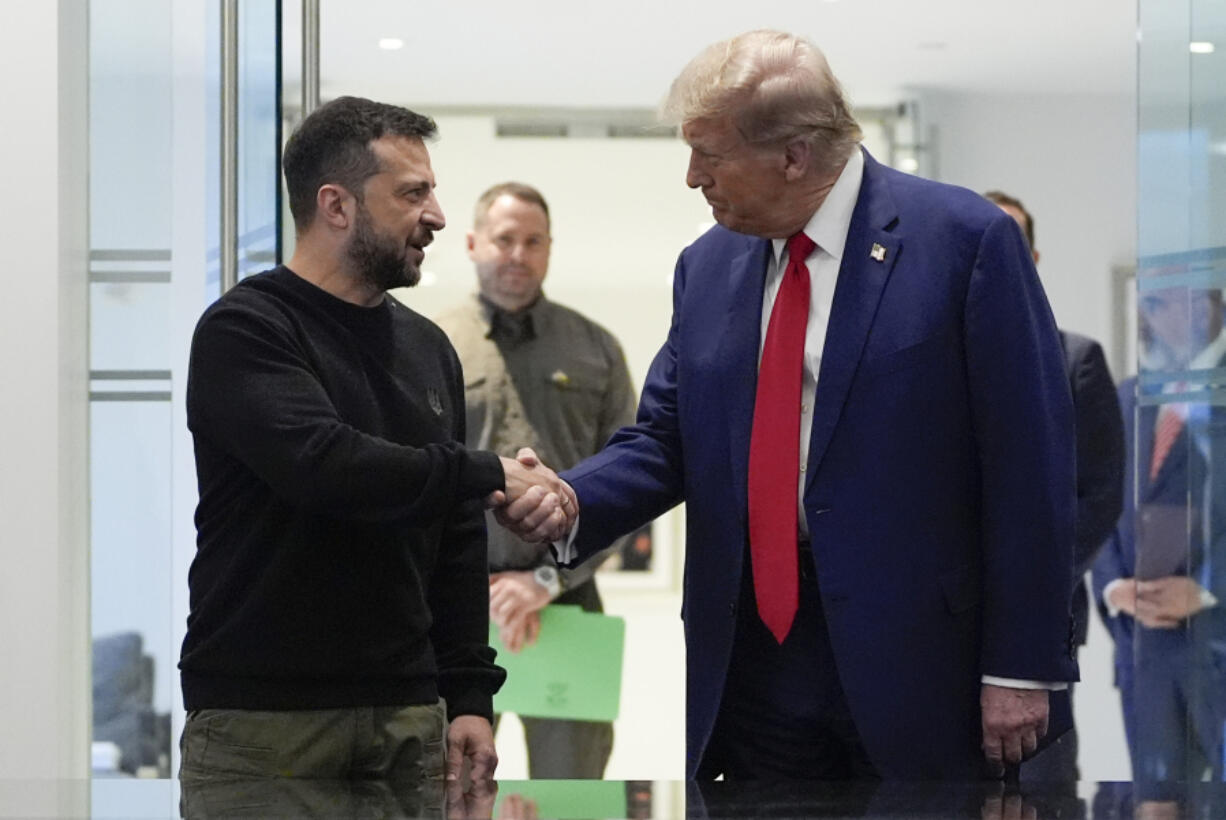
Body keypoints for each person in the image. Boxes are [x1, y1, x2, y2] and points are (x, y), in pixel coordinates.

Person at [501, 30, 1078, 780]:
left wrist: (1021, 666)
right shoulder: (706, 266)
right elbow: (668, 437)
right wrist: (573, 499)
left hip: (921, 664)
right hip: (749, 661)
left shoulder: (964, 243)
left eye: (710, 153)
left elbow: (1029, 464)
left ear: (795, 155)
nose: (691, 177)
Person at [178, 96, 574, 784]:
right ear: (337, 206)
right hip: (266, 727)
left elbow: (454, 540)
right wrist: (490, 472)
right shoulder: (246, 330)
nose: (438, 217)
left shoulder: (429, 349)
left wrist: (470, 696)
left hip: (409, 721)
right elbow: (326, 466)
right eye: (412, 194)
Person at [435, 182, 637, 778]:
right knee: (453, 784)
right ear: (473, 244)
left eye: (532, 241)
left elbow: (628, 483)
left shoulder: (596, 349)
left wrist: (548, 580)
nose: (517, 254)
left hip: (569, 608)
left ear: (549, 250)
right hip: (457, 618)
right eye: (503, 239)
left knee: (573, 792)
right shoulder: (431, 345)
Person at [984, 190, 1125, 783]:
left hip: (1042, 624)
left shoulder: (1076, 359)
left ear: (1034, 258)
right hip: (935, 626)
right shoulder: (923, 360)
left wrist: (1028, 583)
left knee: (1041, 786)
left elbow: (1100, 497)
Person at [1091, 285, 1226, 807]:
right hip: (1142, 652)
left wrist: (1209, 590)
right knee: (1156, 806)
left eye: (1188, 297)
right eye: (1158, 302)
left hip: (1215, 643)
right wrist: (1113, 587)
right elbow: (1098, 502)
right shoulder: (1126, 398)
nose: (1174, 314)